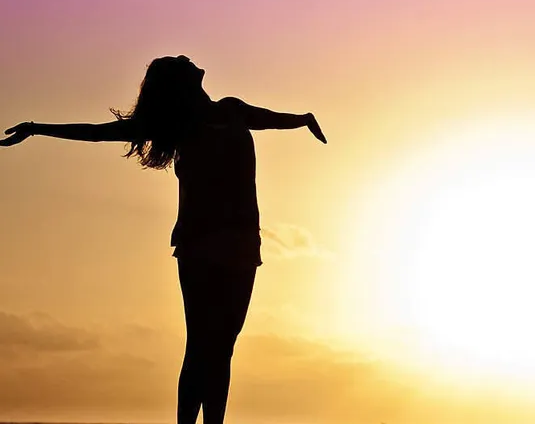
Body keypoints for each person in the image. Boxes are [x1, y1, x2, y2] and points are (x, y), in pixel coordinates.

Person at [0, 55, 327, 424]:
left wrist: (304, 119)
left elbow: (273, 119)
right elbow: (96, 131)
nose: (187, 57)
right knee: (201, 343)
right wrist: (36, 128)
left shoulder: (233, 109)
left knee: (224, 346)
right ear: (179, 83)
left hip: (242, 243)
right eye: (179, 62)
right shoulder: (176, 124)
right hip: (199, 242)